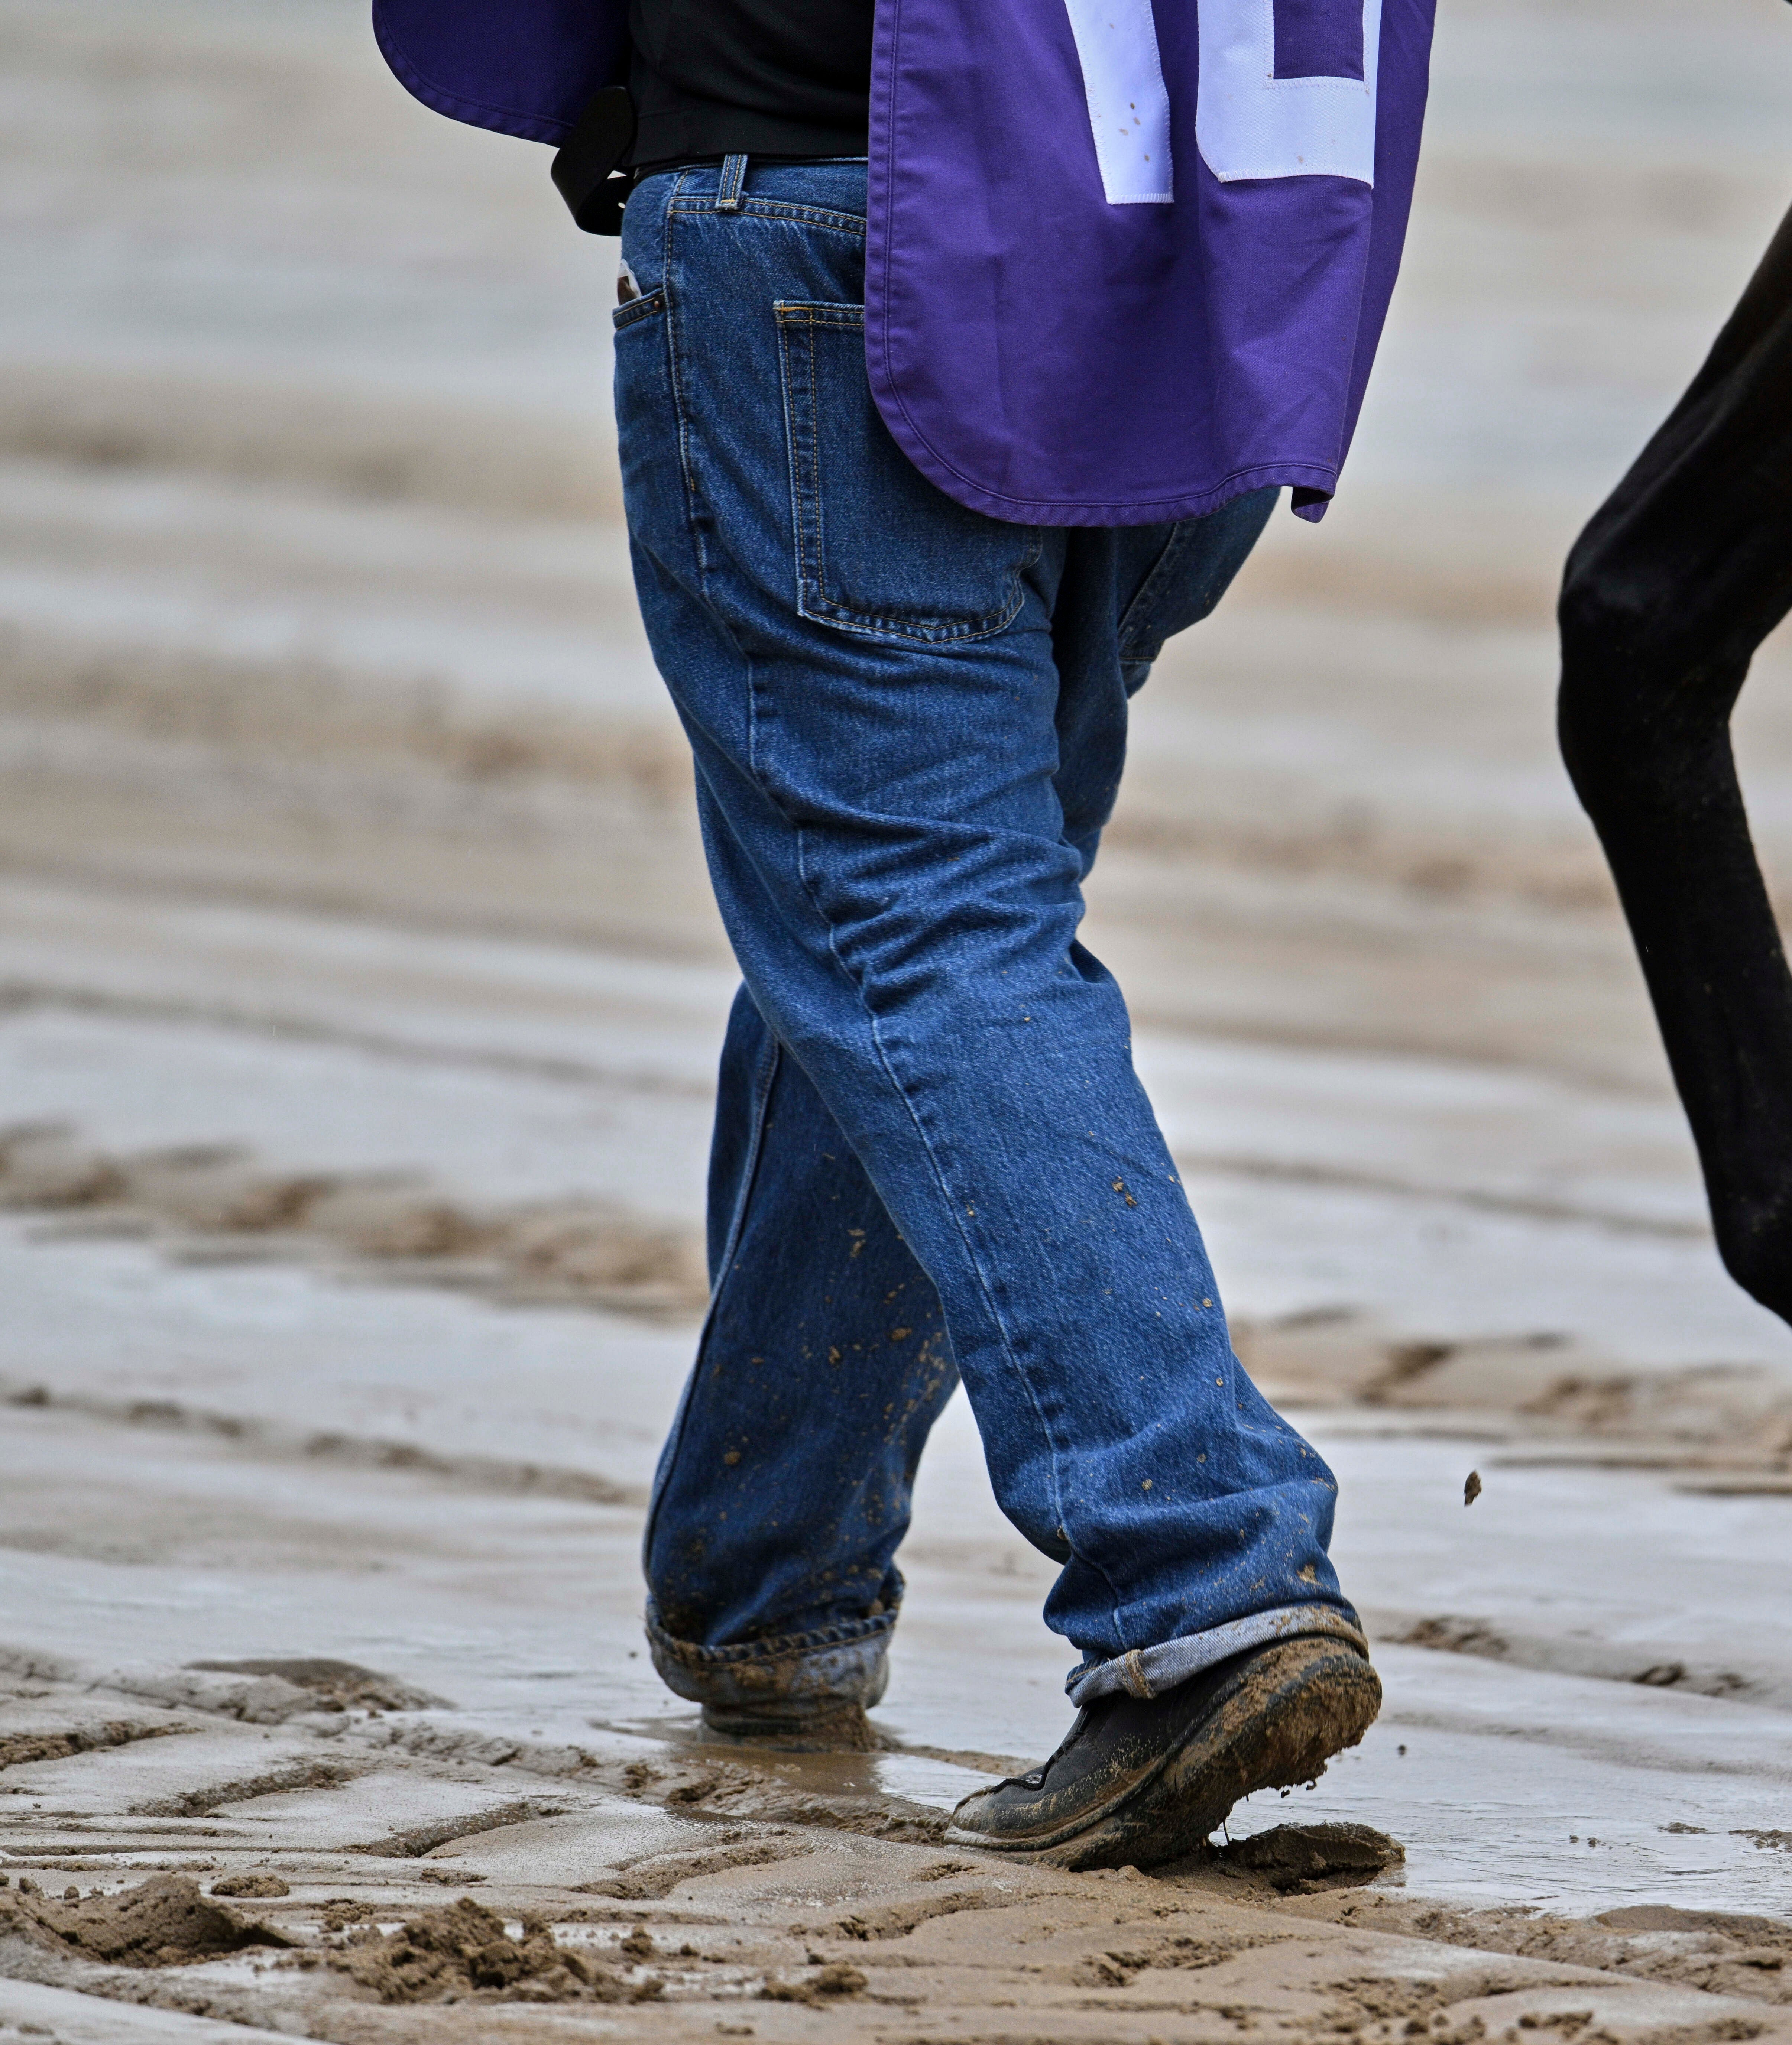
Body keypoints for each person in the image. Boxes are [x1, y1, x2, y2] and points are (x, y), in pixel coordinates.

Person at [372, 0, 1436, 1867]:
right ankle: (766, 1580)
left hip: (839, 219)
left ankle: (1204, 1574)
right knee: (901, 925)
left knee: (920, 932)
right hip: (1203, 234)